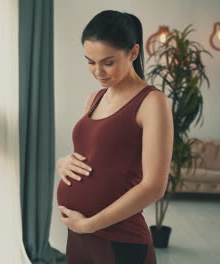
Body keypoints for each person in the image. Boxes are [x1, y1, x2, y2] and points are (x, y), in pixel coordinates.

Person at [55, 10, 174, 264]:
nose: (98, 72)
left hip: (120, 240)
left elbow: (154, 187)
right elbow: (95, 155)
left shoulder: (152, 102)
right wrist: (63, 162)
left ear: (133, 52)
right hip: (79, 237)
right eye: (90, 61)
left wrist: (89, 225)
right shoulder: (94, 99)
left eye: (108, 62)